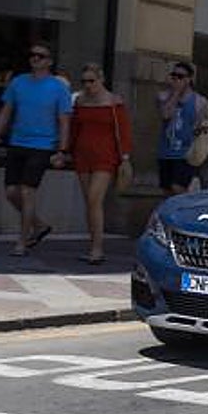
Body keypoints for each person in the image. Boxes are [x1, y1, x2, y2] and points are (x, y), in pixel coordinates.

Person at [0, 42, 72, 256]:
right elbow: (6, 112)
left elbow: (64, 121)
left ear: (49, 61)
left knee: (27, 192)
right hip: (17, 142)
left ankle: (22, 242)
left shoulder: (58, 87)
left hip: (42, 146)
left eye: (40, 56)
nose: (35, 59)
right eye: (33, 55)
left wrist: (62, 150)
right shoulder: (18, 82)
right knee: (11, 192)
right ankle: (39, 225)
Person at [69, 64, 132, 264]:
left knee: (94, 199)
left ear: (101, 79)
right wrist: (66, 152)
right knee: (89, 202)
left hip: (105, 156)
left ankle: (97, 249)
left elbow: (123, 131)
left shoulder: (114, 102)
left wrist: (125, 158)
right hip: (82, 155)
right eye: (84, 81)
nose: (88, 85)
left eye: (92, 81)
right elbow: (74, 129)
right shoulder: (79, 101)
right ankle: (93, 246)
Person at [156, 61, 208, 195]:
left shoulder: (199, 101)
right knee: (166, 189)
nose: (176, 79)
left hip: (186, 153)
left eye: (180, 76)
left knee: (178, 187)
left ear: (189, 79)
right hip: (166, 150)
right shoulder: (164, 96)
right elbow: (165, 114)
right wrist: (175, 94)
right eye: (173, 76)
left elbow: (200, 125)